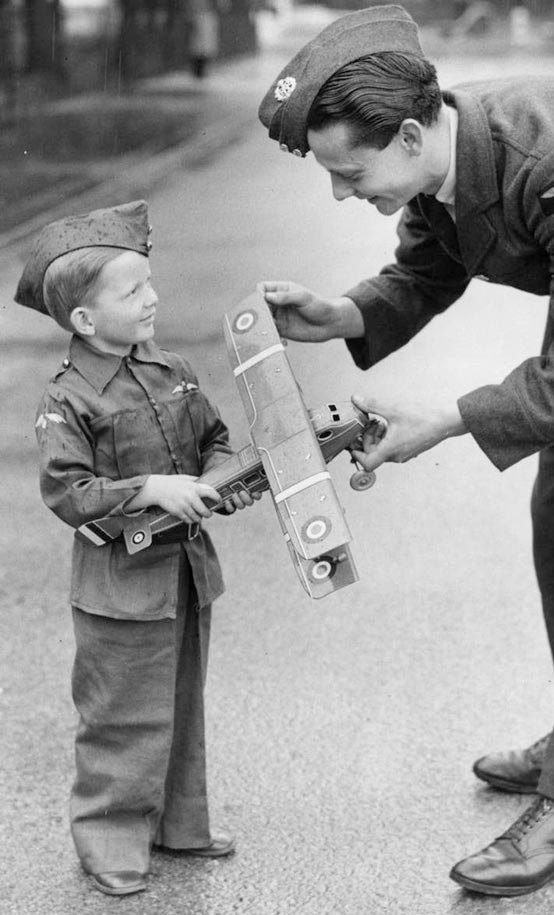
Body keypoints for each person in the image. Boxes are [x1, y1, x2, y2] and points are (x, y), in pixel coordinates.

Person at [255, 3, 554, 898]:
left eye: (350, 172)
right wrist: (344, 313)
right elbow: (430, 266)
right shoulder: (443, 161)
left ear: (413, 132)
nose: (343, 194)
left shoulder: (553, 156)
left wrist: (448, 418)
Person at [15, 200, 256, 897]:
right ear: (85, 320)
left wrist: (217, 480)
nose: (153, 298)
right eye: (133, 291)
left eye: (151, 283)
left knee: (183, 703)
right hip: (119, 588)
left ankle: (181, 822)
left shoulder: (172, 369)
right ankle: (109, 839)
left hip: (183, 575)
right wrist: (151, 485)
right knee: (121, 714)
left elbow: (214, 438)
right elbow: (69, 491)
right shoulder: (67, 401)